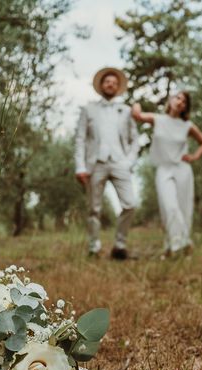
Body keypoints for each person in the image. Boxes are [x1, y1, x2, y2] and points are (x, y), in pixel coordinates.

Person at [131, 92, 202, 256]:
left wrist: (194, 156)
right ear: (170, 100)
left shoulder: (187, 126)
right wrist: (136, 103)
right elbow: (137, 115)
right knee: (169, 206)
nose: (180, 102)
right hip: (164, 169)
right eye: (178, 98)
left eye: (184, 101)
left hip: (183, 169)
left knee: (183, 208)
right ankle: (183, 243)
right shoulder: (157, 119)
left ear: (186, 107)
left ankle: (172, 248)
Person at [74, 67, 139, 260]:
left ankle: (119, 245)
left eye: (114, 82)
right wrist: (80, 167)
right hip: (95, 164)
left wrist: (129, 162)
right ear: (101, 85)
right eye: (107, 81)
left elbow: (135, 139)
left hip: (120, 163)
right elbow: (79, 139)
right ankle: (94, 248)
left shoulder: (126, 111)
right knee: (94, 208)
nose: (110, 84)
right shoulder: (88, 109)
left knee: (131, 204)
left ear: (118, 87)